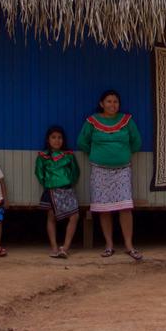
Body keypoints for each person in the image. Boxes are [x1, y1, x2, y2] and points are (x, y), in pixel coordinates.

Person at [78, 89, 142, 261]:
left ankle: (129, 246)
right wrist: (99, 154)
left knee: (125, 207)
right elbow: (82, 142)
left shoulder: (127, 120)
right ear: (101, 104)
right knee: (104, 208)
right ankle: (109, 245)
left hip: (122, 170)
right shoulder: (92, 121)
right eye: (109, 101)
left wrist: (122, 154)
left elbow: (136, 142)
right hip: (99, 170)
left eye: (115, 102)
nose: (112, 105)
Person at [35, 125, 81, 259]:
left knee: (74, 216)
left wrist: (66, 182)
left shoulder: (69, 155)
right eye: (53, 137)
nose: (57, 140)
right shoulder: (43, 156)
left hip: (67, 190)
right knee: (51, 217)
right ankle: (54, 247)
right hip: (51, 191)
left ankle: (65, 247)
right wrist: (50, 184)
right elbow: (39, 173)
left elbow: (75, 172)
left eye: (60, 137)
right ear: (48, 139)